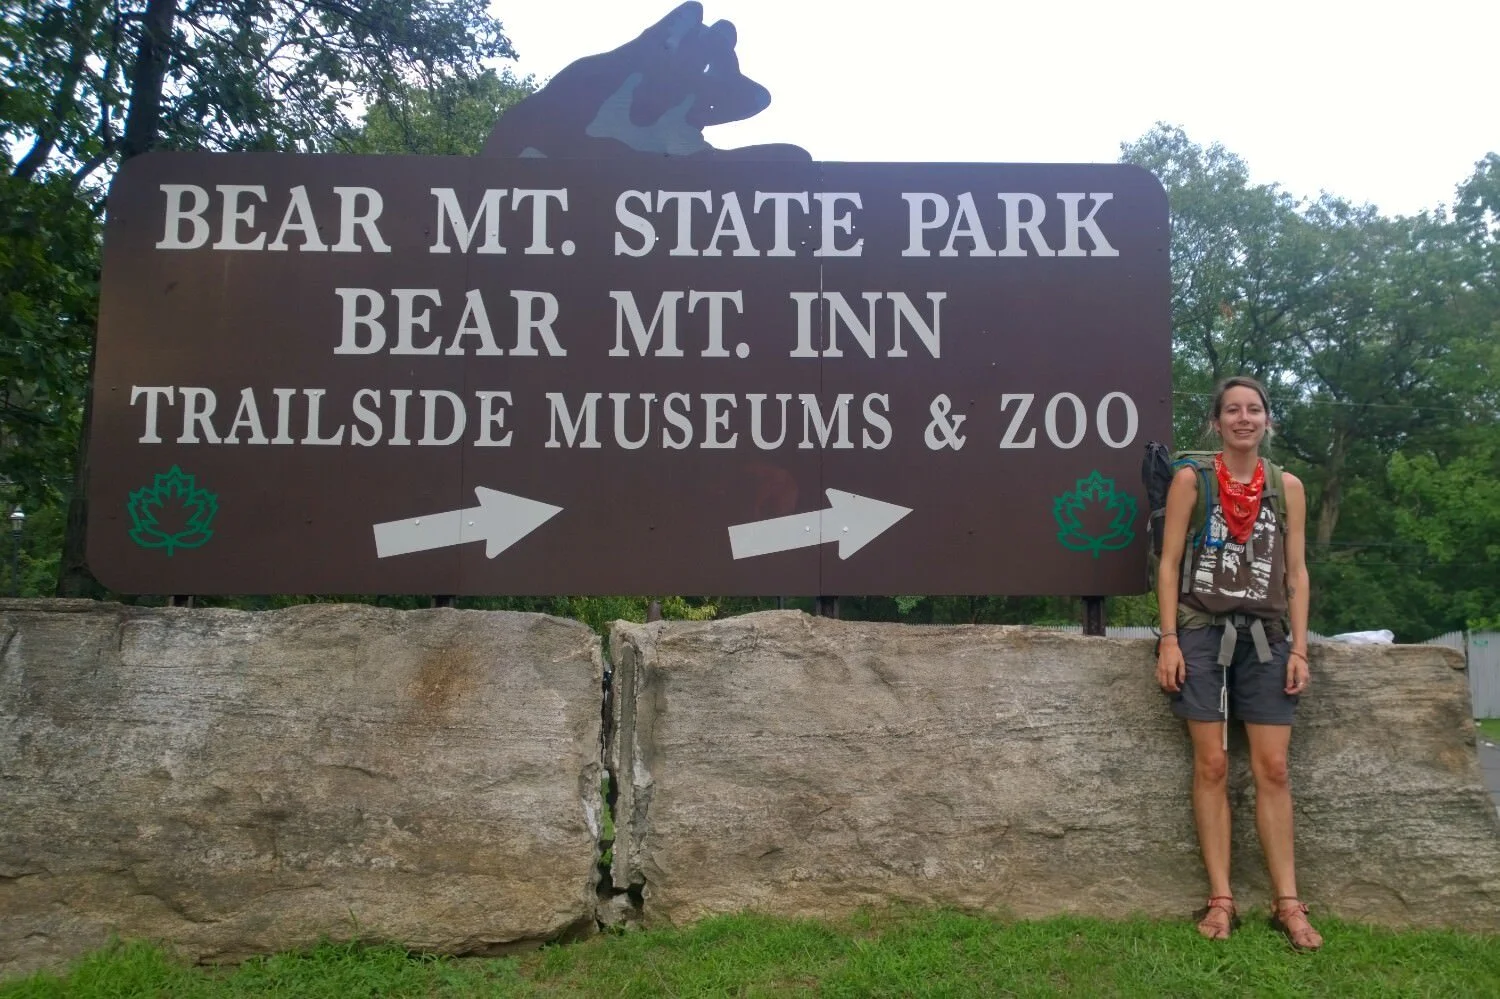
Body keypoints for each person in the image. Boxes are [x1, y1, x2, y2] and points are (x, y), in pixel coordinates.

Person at [1155, 375, 1322, 951]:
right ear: (1216, 421)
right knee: (1213, 766)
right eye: (1232, 410)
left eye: (1254, 409)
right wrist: (1169, 639)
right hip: (1201, 633)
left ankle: (1287, 902)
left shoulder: (1287, 486)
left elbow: (1296, 572)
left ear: (1268, 420)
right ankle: (1221, 899)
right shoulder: (1191, 481)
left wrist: (1299, 647)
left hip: (1268, 638)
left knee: (1273, 768)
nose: (1243, 418)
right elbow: (1169, 562)